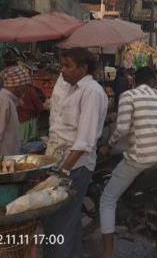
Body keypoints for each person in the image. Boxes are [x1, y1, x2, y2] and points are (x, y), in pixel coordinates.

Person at [43, 48, 108, 258]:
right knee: (67, 221)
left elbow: (84, 141)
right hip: (59, 162)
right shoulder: (70, 87)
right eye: (62, 65)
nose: (63, 71)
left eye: (68, 66)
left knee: (58, 224)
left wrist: (63, 172)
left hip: (75, 167)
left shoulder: (92, 92)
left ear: (83, 68)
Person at [99, 67, 157, 258]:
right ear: (153, 82)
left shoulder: (128, 96)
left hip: (140, 157)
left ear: (134, 81)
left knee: (107, 199)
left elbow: (121, 129)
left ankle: (108, 252)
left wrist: (108, 145)